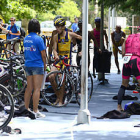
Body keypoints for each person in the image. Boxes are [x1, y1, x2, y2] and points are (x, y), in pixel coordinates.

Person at [50, 16, 82, 106]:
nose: (57, 28)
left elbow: (82, 38)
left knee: (62, 79)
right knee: (51, 76)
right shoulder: (56, 36)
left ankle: (61, 100)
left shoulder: (70, 34)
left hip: (67, 60)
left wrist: (82, 50)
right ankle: (58, 96)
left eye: (59, 26)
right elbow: (54, 49)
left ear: (63, 26)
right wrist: (55, 55)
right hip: (59, 60)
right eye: (56, 27)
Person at [23, 19, 46, 118]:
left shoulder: (26, 38)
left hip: (28, 65)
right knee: (37, 89)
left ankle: (26, 108)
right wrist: (45, 65)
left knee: (29, 88)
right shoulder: (39, 39)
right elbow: (43, 54)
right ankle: (35, 110)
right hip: (37, 64)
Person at [117, 27, 140, 111]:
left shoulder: (127, 37)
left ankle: (119, 106)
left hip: (126, 60)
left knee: (124, 85)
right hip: (136, 60)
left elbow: (123, 53)